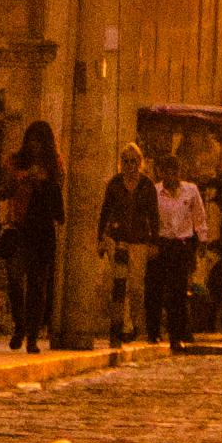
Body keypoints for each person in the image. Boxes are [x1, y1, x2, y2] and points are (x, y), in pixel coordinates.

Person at [0, 122, 65, 351]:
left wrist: (42, 180)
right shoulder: (15, 161)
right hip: (19, 226)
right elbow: (3, 191)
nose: (34, 146)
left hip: (43, 229)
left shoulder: (55, 164)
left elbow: (58, 190)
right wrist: (21, 179)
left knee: (38, 284)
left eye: (39, 141)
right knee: (16, 280)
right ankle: (20, 325)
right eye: (31, 141)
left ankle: (33, 336)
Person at [93, 141, 160, 350]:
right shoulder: (114, 184)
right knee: (118, 285)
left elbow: (153, 215)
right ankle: (117, 328)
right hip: (117, 238)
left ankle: (135, 324)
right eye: (125, 161)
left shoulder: (147, 186)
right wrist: (101, 238)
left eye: (133, 161)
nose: (129, 165)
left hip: (139, 240)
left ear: (139, 163)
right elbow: (105, 211)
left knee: (136, 286)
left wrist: (154, 242)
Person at [148, 154, 214, 354]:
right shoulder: (155, 191)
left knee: (178, 293)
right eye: (167, 171)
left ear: (179, 173)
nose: (171, 176)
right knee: (155, 289)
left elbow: (199, 217)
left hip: (182, 246)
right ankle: (153, 332)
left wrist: (202, 240)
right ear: (161, 172)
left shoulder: (191, 191)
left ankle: (176, 336)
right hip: (161, 244)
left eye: (174, 171)